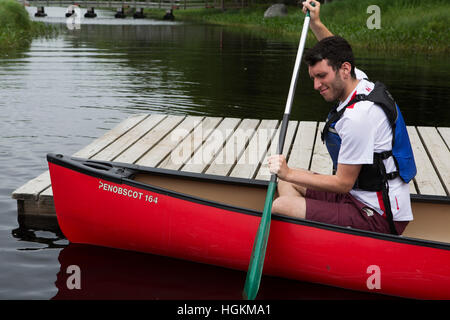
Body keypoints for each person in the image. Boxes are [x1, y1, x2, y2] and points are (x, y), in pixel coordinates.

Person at [267, 0, 416, 235]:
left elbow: (343, 183)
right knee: (286, 183)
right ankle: (313, 235)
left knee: (281, 204)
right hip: (355, 196)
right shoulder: (360, 82)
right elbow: (336, 51)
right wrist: (316, 22)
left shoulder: (359, 117)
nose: (316, 85)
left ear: (344, 70)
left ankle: (313, 242)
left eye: (321, 76)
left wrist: (289, 171)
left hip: (378, 214)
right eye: (313, 77)